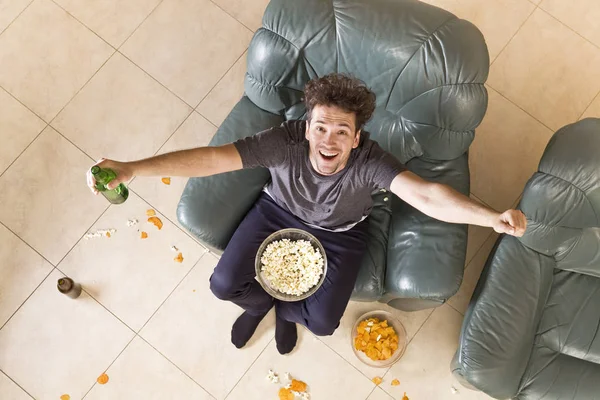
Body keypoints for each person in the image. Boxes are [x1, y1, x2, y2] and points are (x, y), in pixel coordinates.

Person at [87, 73, 527, 355]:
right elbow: (212, 159)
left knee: (320, 322)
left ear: (357, 138)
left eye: (341, 131)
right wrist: (134, 168)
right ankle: (262, 304)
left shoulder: (370, 160)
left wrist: (491, 218)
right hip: (276, 213)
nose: (328, 142)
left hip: (341, 232)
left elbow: (428, 195)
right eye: (320, 128)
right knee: (223, 285)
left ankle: (287, 312)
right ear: (306, 126)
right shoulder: (284, 141)